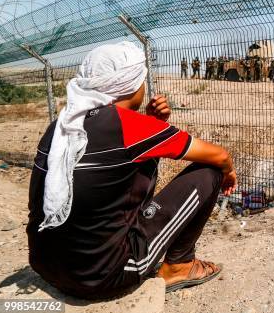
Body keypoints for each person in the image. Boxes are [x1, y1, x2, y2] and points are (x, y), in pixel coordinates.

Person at [27, 42, 237, 299]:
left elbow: (118, 164)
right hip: (103, 277)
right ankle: (180, 265)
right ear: (131, 84)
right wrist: (229, 173)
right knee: (210, 171)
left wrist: (153, 125)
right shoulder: (130, 127)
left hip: (47, 266)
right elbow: (221, 156)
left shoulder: (61, 127)